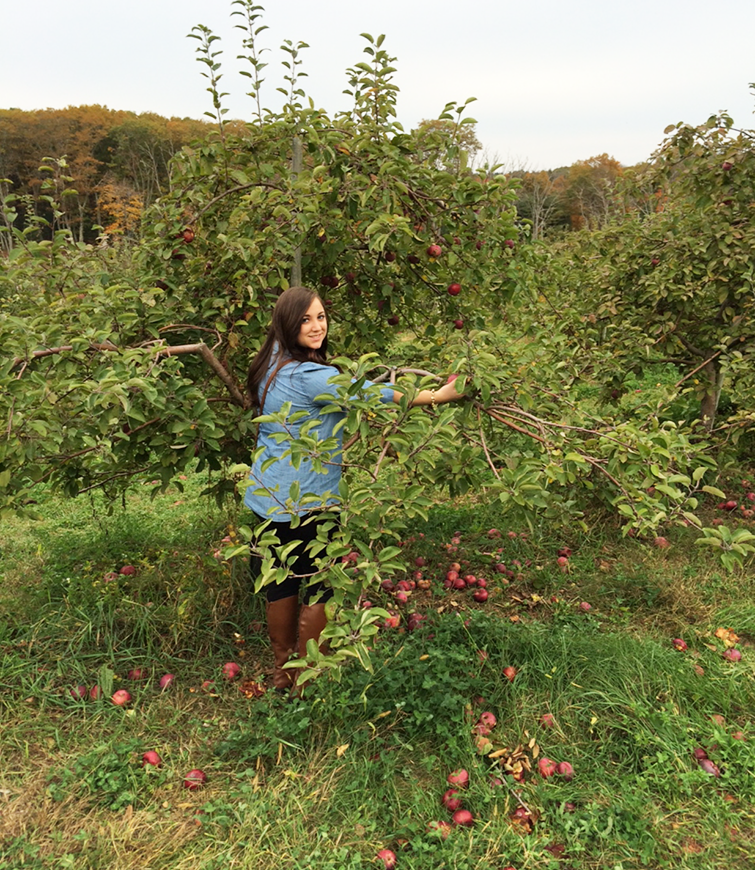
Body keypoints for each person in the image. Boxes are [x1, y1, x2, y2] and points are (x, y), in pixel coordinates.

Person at [245, 286, 464, 691]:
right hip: (308, 500)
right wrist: (436, 395)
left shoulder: (270, 364)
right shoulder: (312, 376)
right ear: (287, 324)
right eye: (306, 319)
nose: (317, 326)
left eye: (321, 316)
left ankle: (284, 671)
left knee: (280, 581)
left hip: (265, 497)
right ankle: (310, 678)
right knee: (324, 581)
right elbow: (370, 394)